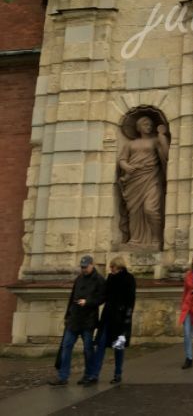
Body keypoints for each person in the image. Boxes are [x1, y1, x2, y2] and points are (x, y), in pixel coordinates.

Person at [48, 255, 105, 386]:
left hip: (88, 320)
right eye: (82, 267)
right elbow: (72, 297)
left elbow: (102, 298)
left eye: (85, 267)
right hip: (74, 318)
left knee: (88, 349)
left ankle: (89, 375)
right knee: (66, 346)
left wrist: (88, 302)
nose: (83, 269)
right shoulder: (79, 278)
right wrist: (67, 316)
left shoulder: (99, 280)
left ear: (92, 265)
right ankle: (63, 376)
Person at [118, 115, 169, 248]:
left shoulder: (155, 140)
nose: (149, 127)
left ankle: (157, 238)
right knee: (134, 211)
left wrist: (162, 136)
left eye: (150, 125)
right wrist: (126, 167)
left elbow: (165, 154)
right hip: (133, 179)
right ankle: (135, 239)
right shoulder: (130, 144)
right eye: (145, 125)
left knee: (150, 209)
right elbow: (122, 160)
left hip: (151, 177)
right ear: (138, 127)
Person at [91, 256, 136, 384]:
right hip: (108, 317)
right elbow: (104, 295)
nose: (111, 269)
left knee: (118, 347)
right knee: (100, 344)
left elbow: (131, 300)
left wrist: (127, 317)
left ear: (119, 266)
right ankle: (94, 374)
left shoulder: (129, 278)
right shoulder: (110, 278)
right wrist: (92, 302)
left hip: (121, 320)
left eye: (112, 267)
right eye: (110, 267)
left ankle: (118, 373)